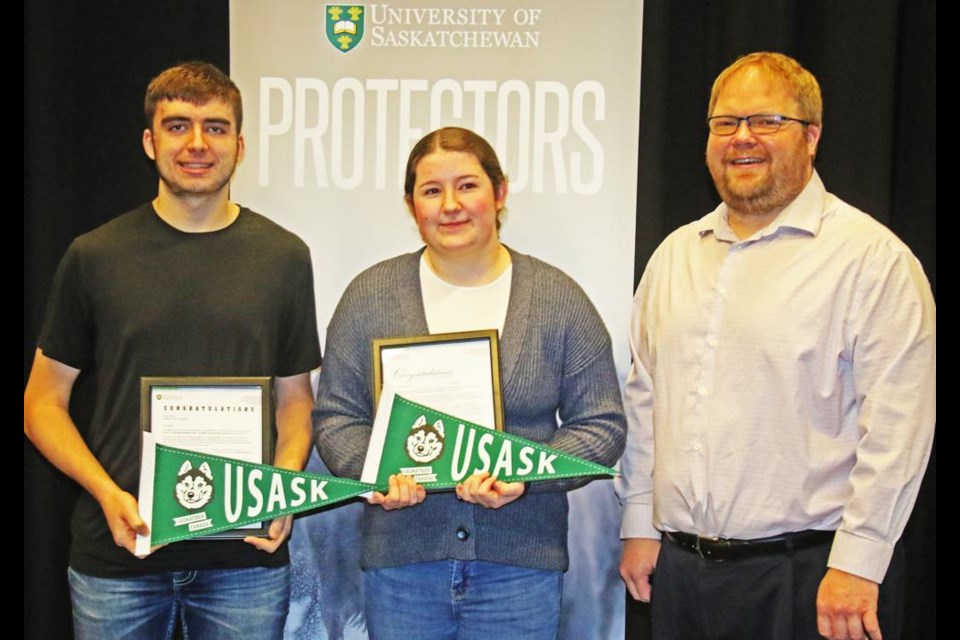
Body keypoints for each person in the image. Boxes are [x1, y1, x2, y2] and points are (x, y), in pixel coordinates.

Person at [617, 52, 935, 640]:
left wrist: (857, 563)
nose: (742, 139)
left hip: (811, 580)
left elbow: (898, 427)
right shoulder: (674, 257)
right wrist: (640, 522)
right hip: (680, 576)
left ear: (811, 136)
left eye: (766, 122)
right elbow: (644, 401)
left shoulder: (872, 260)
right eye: (724, 124)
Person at [23, 62, 321, 639]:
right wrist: (106, 494)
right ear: (149, 140)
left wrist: (283, 491)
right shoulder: (95, 255)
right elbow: (41, 404)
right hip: (120, 556)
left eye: (214, 127)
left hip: (245, 560)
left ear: (239, 145)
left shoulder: (284, 258)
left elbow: (295, 404)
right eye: (178, 125)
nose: (196, 143)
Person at [313, 126, 626, 639]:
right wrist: (376, 473)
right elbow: (336, 417)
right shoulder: (368, 297)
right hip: (402, 566)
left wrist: (525, 475)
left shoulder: (558, 298)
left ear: (499, 193)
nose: (450, 205)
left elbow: (602, 426)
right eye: (431, 191)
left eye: (468, 185)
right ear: (412, 206)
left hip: (520, 566)